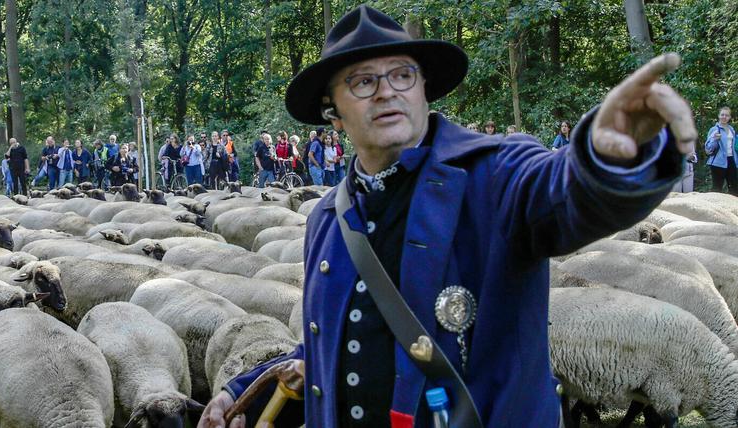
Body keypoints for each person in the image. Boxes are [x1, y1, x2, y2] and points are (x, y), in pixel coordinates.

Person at [198, 6, 695, 428]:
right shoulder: (328, 218)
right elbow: (333, 350)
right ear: (333, 110)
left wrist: (610, 158)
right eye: (364, 81)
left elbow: (568, 195)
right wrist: (247, 392)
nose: (387, 91)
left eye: (402, 75)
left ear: (423, 89)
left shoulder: (497, 174)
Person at [705, 107, 737, 195]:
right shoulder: (714, 129)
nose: (724, 117)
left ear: (730, 117)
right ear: (719, 116)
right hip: (718, 161)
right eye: (722, 115)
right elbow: (708, 148)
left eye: (727, 115)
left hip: (731, 160)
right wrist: (714, 139)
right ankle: (713, 208)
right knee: (717, 188)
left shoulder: (731, 129)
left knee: (734, 187)